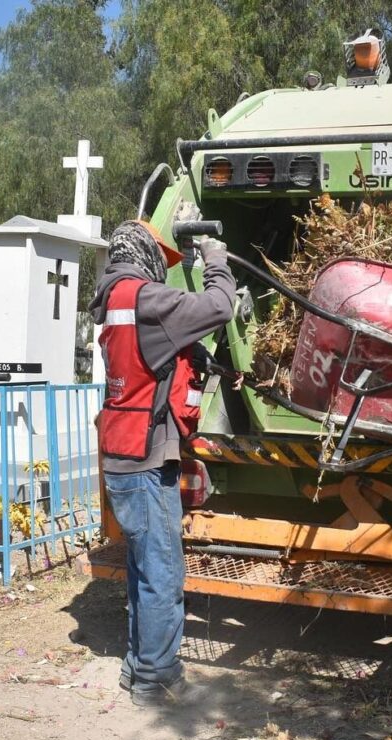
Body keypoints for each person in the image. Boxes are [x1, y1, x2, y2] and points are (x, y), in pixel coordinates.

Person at [89, 220, 235, 707]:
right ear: (145, 254)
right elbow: (218, 306)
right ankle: (156, 679)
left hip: (126, 452)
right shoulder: (145, 299)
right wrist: (217, 261)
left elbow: (151, 363)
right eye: (162, 261)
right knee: (162, 572)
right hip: (145, 458)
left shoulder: (115, 299)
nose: (164, 273)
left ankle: (138, 668)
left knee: (142, 569)